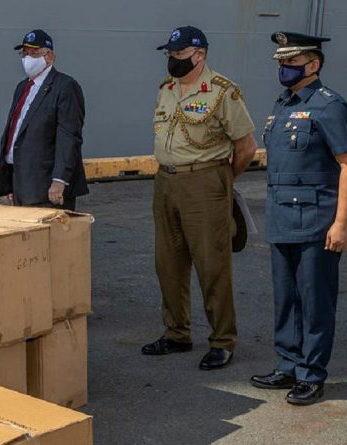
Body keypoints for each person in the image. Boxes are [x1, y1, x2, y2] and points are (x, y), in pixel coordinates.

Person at [141, 26, 257, 370]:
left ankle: (222, 341)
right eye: (170, 55)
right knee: (169, 264)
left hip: (205, 183)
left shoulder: (223, 92)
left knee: (212, 265)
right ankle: (177, 332)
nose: (172, 61)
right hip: (166, 182)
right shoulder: (167, 90)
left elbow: (246, 147)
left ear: (199, 55)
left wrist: (223, 180)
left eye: (178, 55)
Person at [250, 32, 347, 405]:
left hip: (316, 222)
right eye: (281, 63)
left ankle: (311, 374)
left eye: (291, 62)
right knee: (286, 299)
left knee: (315, 301)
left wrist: (340, 224)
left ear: (313, 65)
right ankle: (287, 364)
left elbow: (345, 165)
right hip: (282, 219)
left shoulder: (329, 106)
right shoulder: (282, 106)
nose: (284, 69)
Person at [0, 29, 87, 211]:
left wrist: (59, 180)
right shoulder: (22, 87)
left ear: (50, 57)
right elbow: (15, 132)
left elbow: (69, 136)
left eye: (34, 53)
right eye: (25, 53)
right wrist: (10, 182)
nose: (27, 58)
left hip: (46, 189)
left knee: (50, 239)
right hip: (21, 184)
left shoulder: (65, 87)